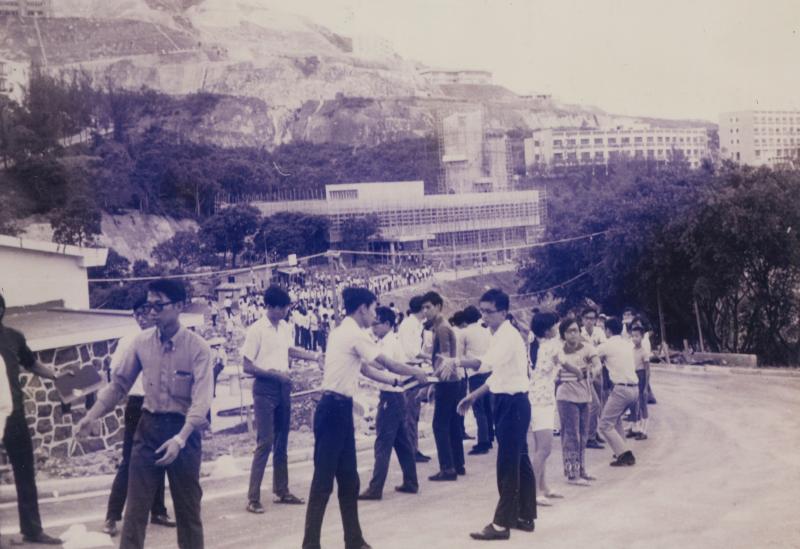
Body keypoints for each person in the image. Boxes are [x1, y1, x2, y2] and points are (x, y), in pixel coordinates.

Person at [76, 279, 213, 549]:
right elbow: (119, 385)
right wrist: (91, 415)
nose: (151, 313)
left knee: (188, 513)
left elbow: (201, 403)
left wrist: (180, 440)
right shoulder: (140, 343)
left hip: (183, 433)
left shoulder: (199, 349)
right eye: (149, 306)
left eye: (158, 306)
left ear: (179, 306)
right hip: (148, 428)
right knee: (135, 511)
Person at [302, 288, 427, 549]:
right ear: (361, 308)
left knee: (349, 480)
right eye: (373, 308)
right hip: (333, 410)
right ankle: (310, 544)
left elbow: (368, 370)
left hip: (339, 409)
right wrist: (416, 372)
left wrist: (396, 380)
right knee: (323, 481)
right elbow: (388, 363)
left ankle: (354, 540)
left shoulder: (344, 333)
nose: (374, 313)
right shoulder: (352, 334)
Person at [450, 289, 536, 540]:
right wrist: (473, 395)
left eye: (489, 312)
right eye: (482, 311)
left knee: (508, 464)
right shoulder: (500, 335)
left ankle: (501, 524)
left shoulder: (508, 336)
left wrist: (454, 362)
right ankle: (524, 515)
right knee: (520, 461)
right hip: (509, 401)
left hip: (514, 404)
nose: (484, 317)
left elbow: (485, 364)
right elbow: (497, 375)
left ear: (504, 312)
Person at [242, 286, 323, 514]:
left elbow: (289, 350)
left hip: (283, 387)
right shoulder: (256, 330)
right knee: (265, 442)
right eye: (284, 307)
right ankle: (253, 497)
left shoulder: (285, 327)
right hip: (265, 388)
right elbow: (247, 365)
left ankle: (282, 489)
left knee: (282, 442)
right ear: (271, 307)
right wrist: (274, 374)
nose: (287, 311)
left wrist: (314, 355)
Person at [104, 301, 175, 537]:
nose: (145, 318)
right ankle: (112, 516)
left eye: (148, 312)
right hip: (136, 404)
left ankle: (158, 510)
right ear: (134, 317)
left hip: (159, 406)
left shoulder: (163, 340)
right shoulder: (129, 341)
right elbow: (116, 374)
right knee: (129, 460)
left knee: (160, 457)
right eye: (139, 314)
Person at [0, 294, 64, 545]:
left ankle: (32, 529)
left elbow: (32, 364)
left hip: (14, 416)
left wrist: (57, 375)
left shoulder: (14, 337)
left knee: (26, 473)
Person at [359, 307, 419, 500]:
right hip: (397, 395)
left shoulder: (387, 343)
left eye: (377, 323)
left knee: (383, 443)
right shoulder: (391, 341)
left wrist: (361, 362)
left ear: (387, 324)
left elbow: (380, 364)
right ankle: (411, 481)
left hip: (390, 395)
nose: (374, 326)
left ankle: (375, 488)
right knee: (402, 443)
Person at [421, 291, 465, 481]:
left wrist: (432, 380)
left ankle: (447, 468)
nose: (425, 311)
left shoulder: (441, 328)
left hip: (447, 382)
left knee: (439, 425)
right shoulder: (441, 326)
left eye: (428, 307)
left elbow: (445, 358)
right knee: (453, 424)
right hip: (453, 381)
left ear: (438, 307)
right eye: (423, 308)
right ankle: (458, 464)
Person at [555, 318, 601, 485]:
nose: (573, 334)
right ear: (563, 335)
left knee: (583, 434)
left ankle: (582, 469)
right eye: (569, 331)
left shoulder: (588, 348)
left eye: (575, 330)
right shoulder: (559, 352)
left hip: (585, 396)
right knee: (571, 435)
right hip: (566, 397)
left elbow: (597, 364)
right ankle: (572, 473)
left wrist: (595, 371)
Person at [528, 312, 562, 507]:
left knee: (540, 449)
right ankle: (532, 492)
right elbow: (565, 362)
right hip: (541, 401)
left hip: (539, 398)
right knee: (544, 449)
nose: (558, 329)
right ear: (548, 330)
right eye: (556, 326)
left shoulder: (537, 345)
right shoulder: (550, 346)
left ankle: (543, 487)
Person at [596, 317, 639, 467]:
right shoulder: (627, 344)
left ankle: (625, 454)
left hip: (621, 389)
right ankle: (622, 448)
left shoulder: (606, 345)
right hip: (634, 390)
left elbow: (591, 356)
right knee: (616, 419)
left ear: (607, 330)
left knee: (604, 425)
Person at [397, 295, 431, 463]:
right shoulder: (410, 325)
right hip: (410, 370)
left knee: (414, 413)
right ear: (423, 309)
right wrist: (429, 357)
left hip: (414, 368)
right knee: (411, 413)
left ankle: (413, 448)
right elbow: (411, 351)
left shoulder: (415, 325)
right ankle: (412, 450)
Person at [461, 306, 493, 455]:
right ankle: (490, 436)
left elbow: (460, 354)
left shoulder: (465, 333)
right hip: (488, 370)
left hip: (475, 373)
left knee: (478, 409)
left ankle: (483, 442)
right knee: (487, 407)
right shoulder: (485, 331)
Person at [581, 307, 607, 450]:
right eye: (587, 318)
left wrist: (592, 353)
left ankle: (594, 432)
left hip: (598, 369)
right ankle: (589, 437)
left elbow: (603, 350)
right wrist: (594, 352)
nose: (590, 321)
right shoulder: (579, 332)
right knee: (594, 404)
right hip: (587, 371)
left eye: (592, 318)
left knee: (599, 403)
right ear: (583, 319)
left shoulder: (599, 332)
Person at [627, 326, 651, 440]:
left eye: (637, 336)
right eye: (633, 336)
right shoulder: (631, 350)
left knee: (642, 405)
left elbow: (647, 370)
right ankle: (634, 428)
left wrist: (646, 386)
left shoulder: (644, 352)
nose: (634, 339)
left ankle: (644, 431)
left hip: (641, 378)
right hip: (633, 377)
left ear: (642, 337)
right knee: (633, 403)